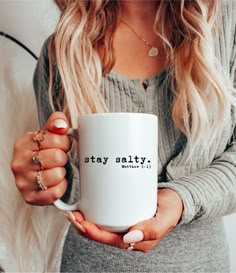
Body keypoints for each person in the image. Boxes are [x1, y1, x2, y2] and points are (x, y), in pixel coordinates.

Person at [11, 0, 236, 272]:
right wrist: (43, 173)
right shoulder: (62, 51)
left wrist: (181, 198)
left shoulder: (226, 23)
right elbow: (72, 187)